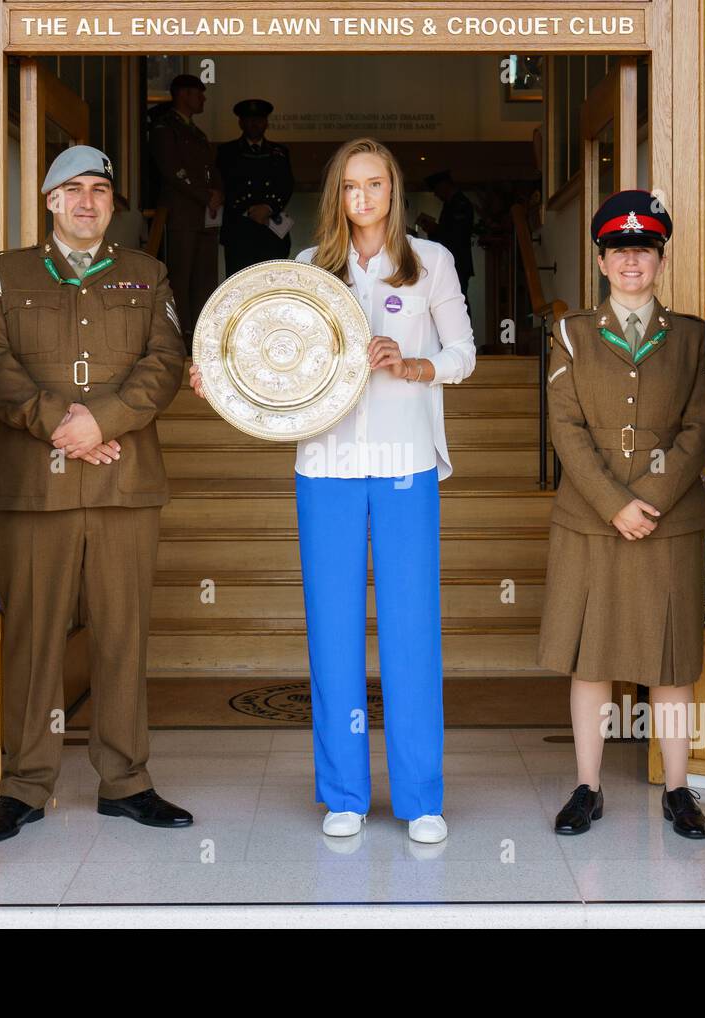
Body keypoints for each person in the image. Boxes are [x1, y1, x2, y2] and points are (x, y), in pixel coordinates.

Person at [190, 138, 476, 843]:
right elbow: (265, 358)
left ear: (393, 191)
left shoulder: (430, 262)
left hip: (406, 462)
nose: (364, 198)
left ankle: (420, 797)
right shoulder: (305, 269)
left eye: (375, 185)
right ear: (336, 197)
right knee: (333, 632)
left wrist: (412, 367)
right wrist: (221, 378)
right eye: (351, 187)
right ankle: (344, 792)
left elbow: (464, 355)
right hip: (326, 468)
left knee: (413, 632)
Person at [0, 145, 190, 845]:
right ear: (50, 201)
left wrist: (105, 421)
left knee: (123, 634)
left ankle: (126, 781)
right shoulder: (6, 272)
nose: (87, 201)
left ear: (112, 203)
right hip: (36, 484)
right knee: (33, 637)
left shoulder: (146, 274)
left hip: (125, 479)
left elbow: (165, 363)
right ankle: (24, 786)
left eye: (99, 189)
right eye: (73, 190)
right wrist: (65, 428)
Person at [539, 190, 705, 841]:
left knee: (669, 664)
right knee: (592, 662)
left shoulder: (694, 337)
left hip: (668, 523)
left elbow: (699, 427)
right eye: (619, 250)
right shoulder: (572, 334)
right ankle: (588, 786)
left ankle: (677, 789)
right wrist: (617, 503)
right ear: (602, 259)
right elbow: (567, 428)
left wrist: (652, 499)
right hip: (590, 521)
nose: (631, 261)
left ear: (660, 259)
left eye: (643, 249)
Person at [150, 73, 222, 350]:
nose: (203, 98)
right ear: (183, 94)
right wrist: (205, 195)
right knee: (181, 277)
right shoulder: (164, 128)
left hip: (204, 215)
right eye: (198, 93)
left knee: (205, 277)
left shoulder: (197, 133)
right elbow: (172, 171)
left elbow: (211, 170)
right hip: (180, 213)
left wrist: (217, 193)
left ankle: (201, 338)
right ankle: (179, 340)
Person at [216, 98, 294, 275]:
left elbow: (286, 184)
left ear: (266, 123)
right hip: (240, 229)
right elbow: (224, 185)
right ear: (241, 123)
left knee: (274, 282)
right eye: (249, 119)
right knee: (239, 283)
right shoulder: (227, 152)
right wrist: (250, 210)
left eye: (259, 119)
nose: (254, 124)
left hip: (271, 229)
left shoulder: (279, 152)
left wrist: (267, 207)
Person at [416, 170, 474, 297]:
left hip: (457, 258)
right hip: (452, 258)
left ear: (444, 186)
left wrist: (436, 230)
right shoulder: (452, 204)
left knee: (458, 296)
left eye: (436, 190)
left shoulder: (459, 204)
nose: (436, 194)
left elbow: (457, 233)